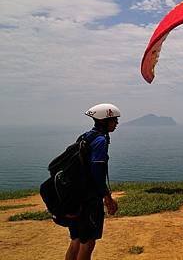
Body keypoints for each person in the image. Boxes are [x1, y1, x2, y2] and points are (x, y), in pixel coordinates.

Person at [65, 103, 120, 260]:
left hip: (76, 197)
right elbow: (97, 172)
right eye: (114, 120)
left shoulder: (85, 137)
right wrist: (107, 197)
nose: (116, 123)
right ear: (104, 121)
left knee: (76, 239)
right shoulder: (100, 141)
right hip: (89, 200)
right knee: (88, 242)